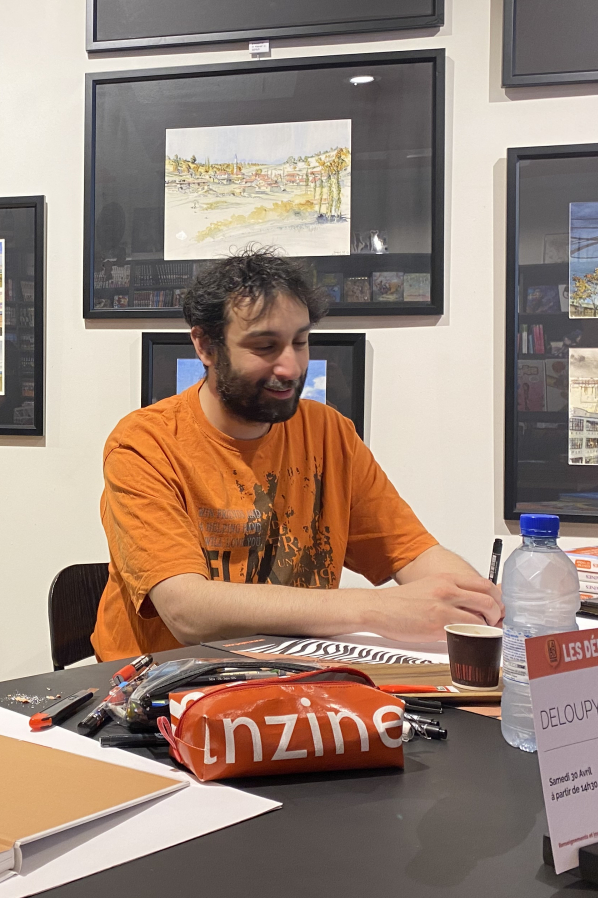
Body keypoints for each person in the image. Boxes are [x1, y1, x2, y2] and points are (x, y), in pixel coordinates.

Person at [91, 249, 504, 661]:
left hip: (295, 677)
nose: (290, 367)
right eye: (265, 346)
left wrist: (481, 605)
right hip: (158, 684)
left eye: (300, 342)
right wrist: (378, 609)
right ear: (206, 346)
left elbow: (412, 553)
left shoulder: (329, 432)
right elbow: (186, 611)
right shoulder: (144, 444)